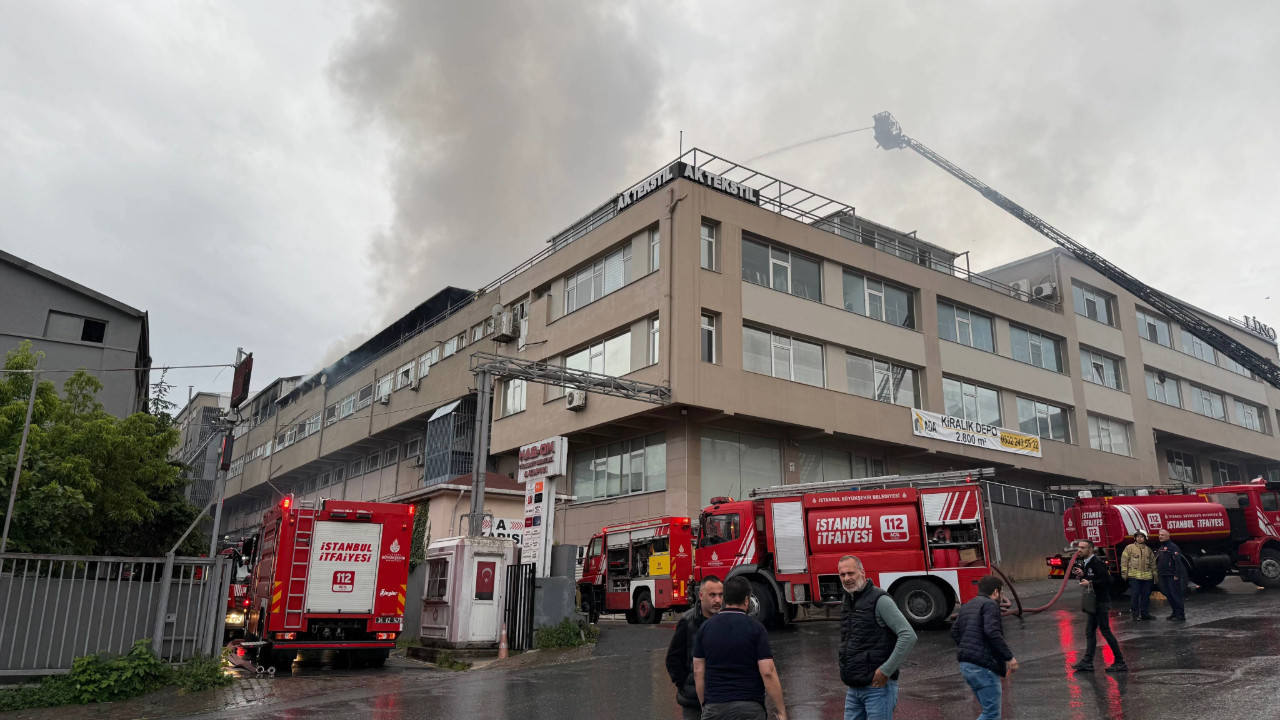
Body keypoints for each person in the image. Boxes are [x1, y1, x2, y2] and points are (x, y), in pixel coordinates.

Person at [693, 575, 787, 720]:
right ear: (746, 600)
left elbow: (698, 671)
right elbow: (768, 671)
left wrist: (705, 707)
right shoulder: (756, 629)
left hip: (715, 707)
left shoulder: (705, 628)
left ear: (724, 599)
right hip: (750, 708)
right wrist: (781, 712)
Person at [837, 555, 917, 720]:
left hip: (877, 688)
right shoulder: (848, 600)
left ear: (862, 572)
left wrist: (886, 670)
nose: (846, 578)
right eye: (842, 574)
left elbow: (908, 635)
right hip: (854, 687)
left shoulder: (879, 600)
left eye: (851, 573)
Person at [950, 575, 1018, 720]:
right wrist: (1009, 657)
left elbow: (954, 631)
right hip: (983, 668)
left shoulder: (968, 605)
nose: (1002, 596)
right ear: (996, 592)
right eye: (1002, 592)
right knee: (991, 714)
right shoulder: (991, 605)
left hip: (966, 666)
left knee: (987, 711)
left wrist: (969, 649)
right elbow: (992, 632)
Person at [666, 576, 724, 720]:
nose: (718, 600)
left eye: (720, 595)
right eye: (712, 595)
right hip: (693, 703)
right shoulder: (688, 621)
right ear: (701, 596)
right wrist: (684, 683)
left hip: (721, 700)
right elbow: (673, 658)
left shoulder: (726, 621)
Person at [1071, 540, 1127, 672]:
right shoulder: (1086, 563)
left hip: (1101, 602)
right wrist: (1083, 575)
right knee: (1090, 632)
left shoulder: (1097, 563)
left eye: (1083, 548)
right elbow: (1091, 577)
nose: (1079, 550)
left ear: (1090, 550)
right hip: (1093, 603)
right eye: (1079, 547)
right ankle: (1087, 662)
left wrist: (1090, 583)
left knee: (1105, 631)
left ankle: (1120, 662)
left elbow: (1108, 581)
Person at [1120, 531, 1157, 621]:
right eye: (1138, 537)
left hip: (1147, 578)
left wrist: (1155, 575)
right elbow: (1124, 561)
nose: (1139, 538)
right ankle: (1135, 615)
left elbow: (1153, 564)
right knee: (1135, 595)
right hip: (1134, 577)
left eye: (1141, 537)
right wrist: (1124, 573)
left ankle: (1145, 614)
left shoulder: (1148, 550)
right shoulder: (1129, 548)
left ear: (1145, 538)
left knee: (1146, 596)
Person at [1156, 529, 1187, 621]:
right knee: (1169, 595)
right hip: (1164, 575)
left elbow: (1177, 562)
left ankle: (1180, 614)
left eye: (1162, 535)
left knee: (1175, 595)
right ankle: (1174, 612)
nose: (1160, 536)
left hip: (1172, 575)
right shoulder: (1161, 547)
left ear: (1168, 536)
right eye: (1159, 535)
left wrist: (1176, 575)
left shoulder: (1173, 547)